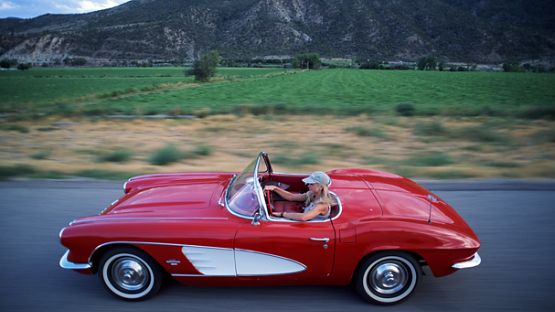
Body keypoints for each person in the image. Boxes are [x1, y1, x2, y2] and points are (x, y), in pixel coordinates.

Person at [264, 171, 334, 221]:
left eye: (311, 184)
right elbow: (291, 197)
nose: (308, 186)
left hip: (311, 228)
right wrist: (275, 188)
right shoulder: (312, 194)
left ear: (321, 187)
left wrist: (282, 214)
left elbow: (303, 217)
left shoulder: (322, 205)